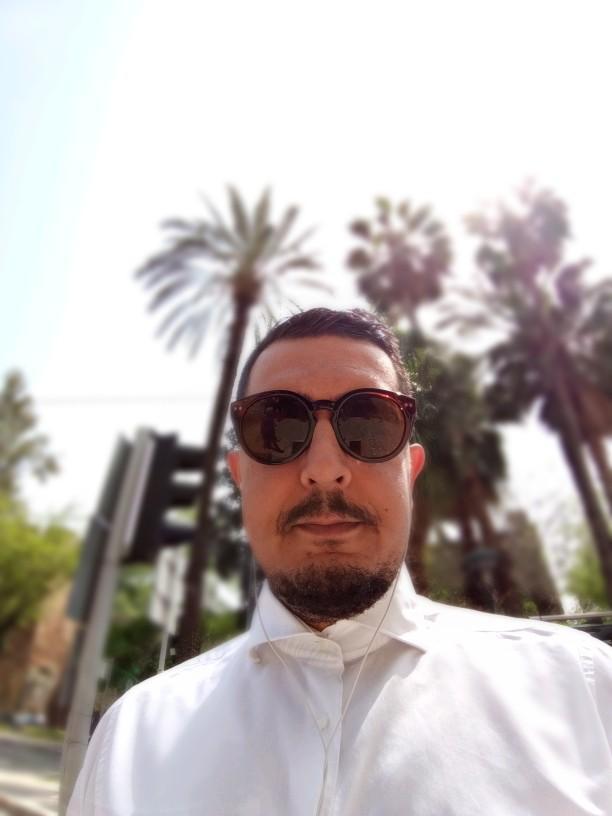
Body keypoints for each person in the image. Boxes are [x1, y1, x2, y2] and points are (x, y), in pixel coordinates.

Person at [68, 308, 612, 815]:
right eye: (277, 427)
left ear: (410, 471)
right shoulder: (133, 740)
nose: (325, 468)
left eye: (369, 424)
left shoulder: (582, 691)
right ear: (240, 476)